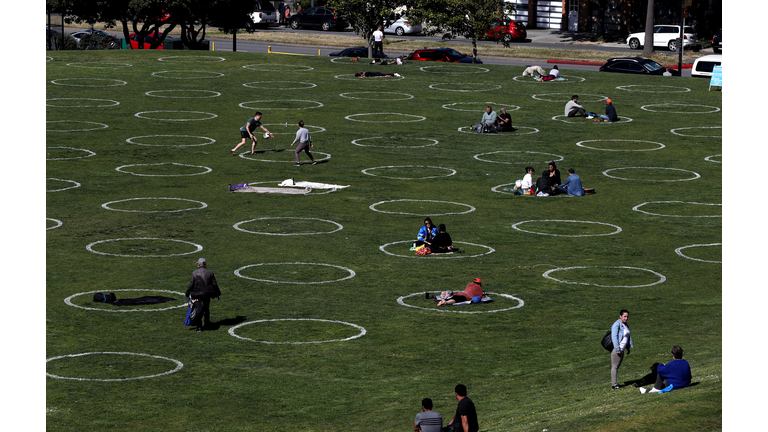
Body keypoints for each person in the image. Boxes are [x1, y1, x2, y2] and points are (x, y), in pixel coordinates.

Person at [186, 258, 221, 333]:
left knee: (199, 310)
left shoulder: (195, 273)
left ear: (199, 264)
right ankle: (207, 322)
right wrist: (218, 293)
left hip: (197, 294)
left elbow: (191, 284)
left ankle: (199, 327)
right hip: (207, 294)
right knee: (206, 308)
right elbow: (214, 284)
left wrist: (188, 292)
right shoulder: (210, 272)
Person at [610, 309, 633, 389]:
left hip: (622, 349)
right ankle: (614, 385)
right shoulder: (616, 324)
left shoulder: (625, 325)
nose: (626, 318)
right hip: (617, 350)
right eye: (624, 316)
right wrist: (617, 349)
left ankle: (615, 383)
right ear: (620, 316)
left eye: (627, 316)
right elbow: (614, 337)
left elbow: (627, 337)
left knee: (617, 366)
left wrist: (628, 347)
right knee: (615, 367)